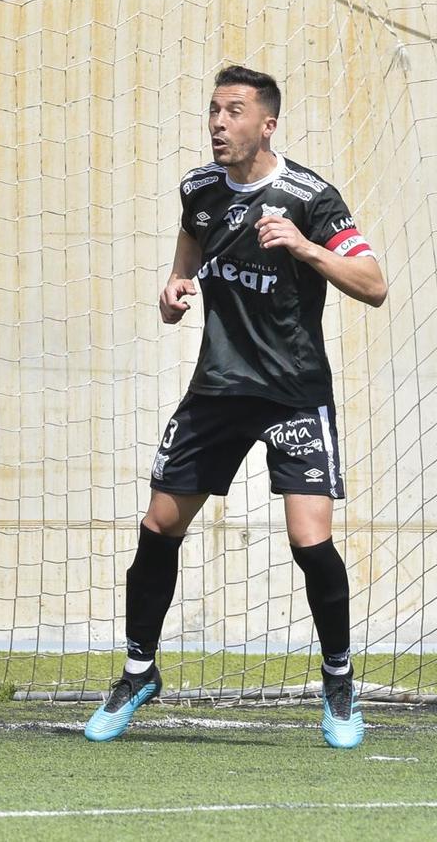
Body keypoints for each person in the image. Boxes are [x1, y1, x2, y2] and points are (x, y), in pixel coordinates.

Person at [84, 65, 386, 749]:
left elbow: (374, 283)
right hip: (218, 389)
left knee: (310, 540)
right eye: (214, 110)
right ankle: (137, 672)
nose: (219, 122)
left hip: (294, 393)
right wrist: (176, 284)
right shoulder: (199, 189)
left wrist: (305, 246)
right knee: (158, 525)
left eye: (234, 111)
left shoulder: (310, 196)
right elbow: (191, 247)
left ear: (267, 124)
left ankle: (338, 681)